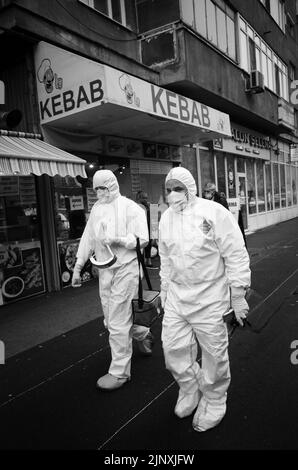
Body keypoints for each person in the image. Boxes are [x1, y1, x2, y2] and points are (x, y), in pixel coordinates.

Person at [159, 167, 251, 432]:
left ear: (190, 187)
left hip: (211, 298)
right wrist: (164, 289)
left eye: (178, 188)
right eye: (168, 189)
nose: (172, 194)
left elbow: (235, 253)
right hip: (178, 296)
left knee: (213, 354)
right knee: (172, 350)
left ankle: (214, 398)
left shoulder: (214, 212)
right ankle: (190, 388)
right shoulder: (166, 218)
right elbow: (165, 257)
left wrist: (238, 294)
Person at [71, 170, 154, 391]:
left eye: (103, 188)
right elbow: (87, 238)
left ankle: (119, 372)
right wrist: (78, 267)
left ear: (113, 185)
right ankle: (143, 333)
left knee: (117, 322)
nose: (100, 193)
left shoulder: (131, 208)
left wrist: (117, 239)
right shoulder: (97, 209)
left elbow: (142, 239)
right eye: (96, 189)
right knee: (110, 321)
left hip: (126, 268)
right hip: (105, 270)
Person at [203, 182, 247, 247]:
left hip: (219, 226)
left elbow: (225, 215)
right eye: (204, 191)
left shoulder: (221, 200)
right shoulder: (203, 200)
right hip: (208, 225)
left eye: (207, 191)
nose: (205, 193)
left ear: (213, 192)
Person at [136, 191, 152, 267]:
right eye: (144, 198)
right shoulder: (135, 207)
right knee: (141, 245)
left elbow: (154, 219)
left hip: (149, 227)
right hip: (141, 229)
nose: (146, 199)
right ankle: (141, 261)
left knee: (149, 244)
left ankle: (148, 260)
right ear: (139, 198)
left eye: (146, 198)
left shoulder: (150, 206)